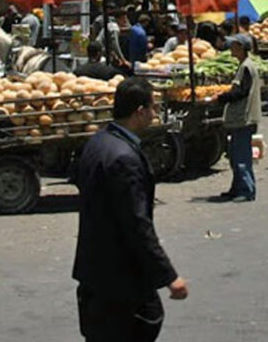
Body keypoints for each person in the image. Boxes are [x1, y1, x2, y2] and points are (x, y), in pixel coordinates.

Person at [73, 78, 189, 341]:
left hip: (94, 273)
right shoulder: (125, 158)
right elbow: (137, 224)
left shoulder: (97, 142)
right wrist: (169, 276)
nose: (155, 114)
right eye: (153, 108)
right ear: (140, 111)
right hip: (120, 280)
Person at [216, 35, 262, 202]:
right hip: (240, 118)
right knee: (235, 156)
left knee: (242, 157)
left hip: (244, 118)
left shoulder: (247, 68)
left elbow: (242, 92)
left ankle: (247, 190)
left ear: (242, 47)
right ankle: (237, 188)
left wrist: (222, 97)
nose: (231, 48)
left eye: (234, 45)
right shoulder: (243, 66)